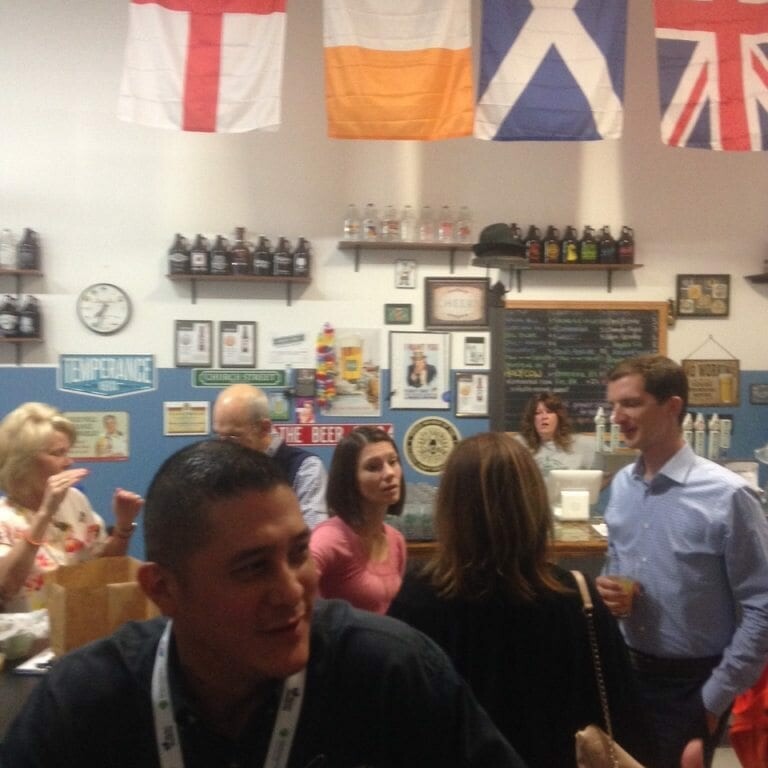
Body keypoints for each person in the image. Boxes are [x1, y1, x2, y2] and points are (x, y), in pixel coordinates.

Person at [2, 440, 526, 767]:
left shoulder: (392, 673)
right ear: (163, 591)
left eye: (298, 553)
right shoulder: (86, 703)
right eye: (252, 568)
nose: (293, 589)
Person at [388, 432, 653, 768]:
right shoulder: (576, 598)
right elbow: (626, 718)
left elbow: (397, 725)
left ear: (450, 508)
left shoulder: (416, 601)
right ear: (534, 504)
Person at [595, 354, 768, 768]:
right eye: (613, 405)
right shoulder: (621, 485)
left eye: (631, 403)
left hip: (694, 682)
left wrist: (712, 701)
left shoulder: (728, 496)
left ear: (672, 407)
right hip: (629, 669)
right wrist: (608, 590)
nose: (616, 416)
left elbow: (762, 608)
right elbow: (614, 565)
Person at [0, 402, 143, 612]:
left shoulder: (75, 500)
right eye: (58, 453)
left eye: (68, 452)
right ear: (23, 462)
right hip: (27, 641)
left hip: (79, 628)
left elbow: (102, 567)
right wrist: (45, 514)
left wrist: (123, 526)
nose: (69, 461)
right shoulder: (5, 518)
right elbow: (5, 588)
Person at [310, 426, 406, 613]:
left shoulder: (396, 541)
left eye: (393, 462)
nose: (389, 473)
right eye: (373, 467)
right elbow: (298, 601)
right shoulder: (329, 539)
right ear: (350, 479)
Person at [212, 383, 327, 528]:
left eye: (232, 437)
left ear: (263, 428)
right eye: (218, 436)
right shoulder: (222, 469)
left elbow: (313, 539)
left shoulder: (305, 469)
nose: (224, 447)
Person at [518, 391, 596, 474]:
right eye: (538, 413)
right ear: (532, 419)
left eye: (549, 412)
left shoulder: (582, 444)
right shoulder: (518, 445)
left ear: (559, 417)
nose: (544, 417)